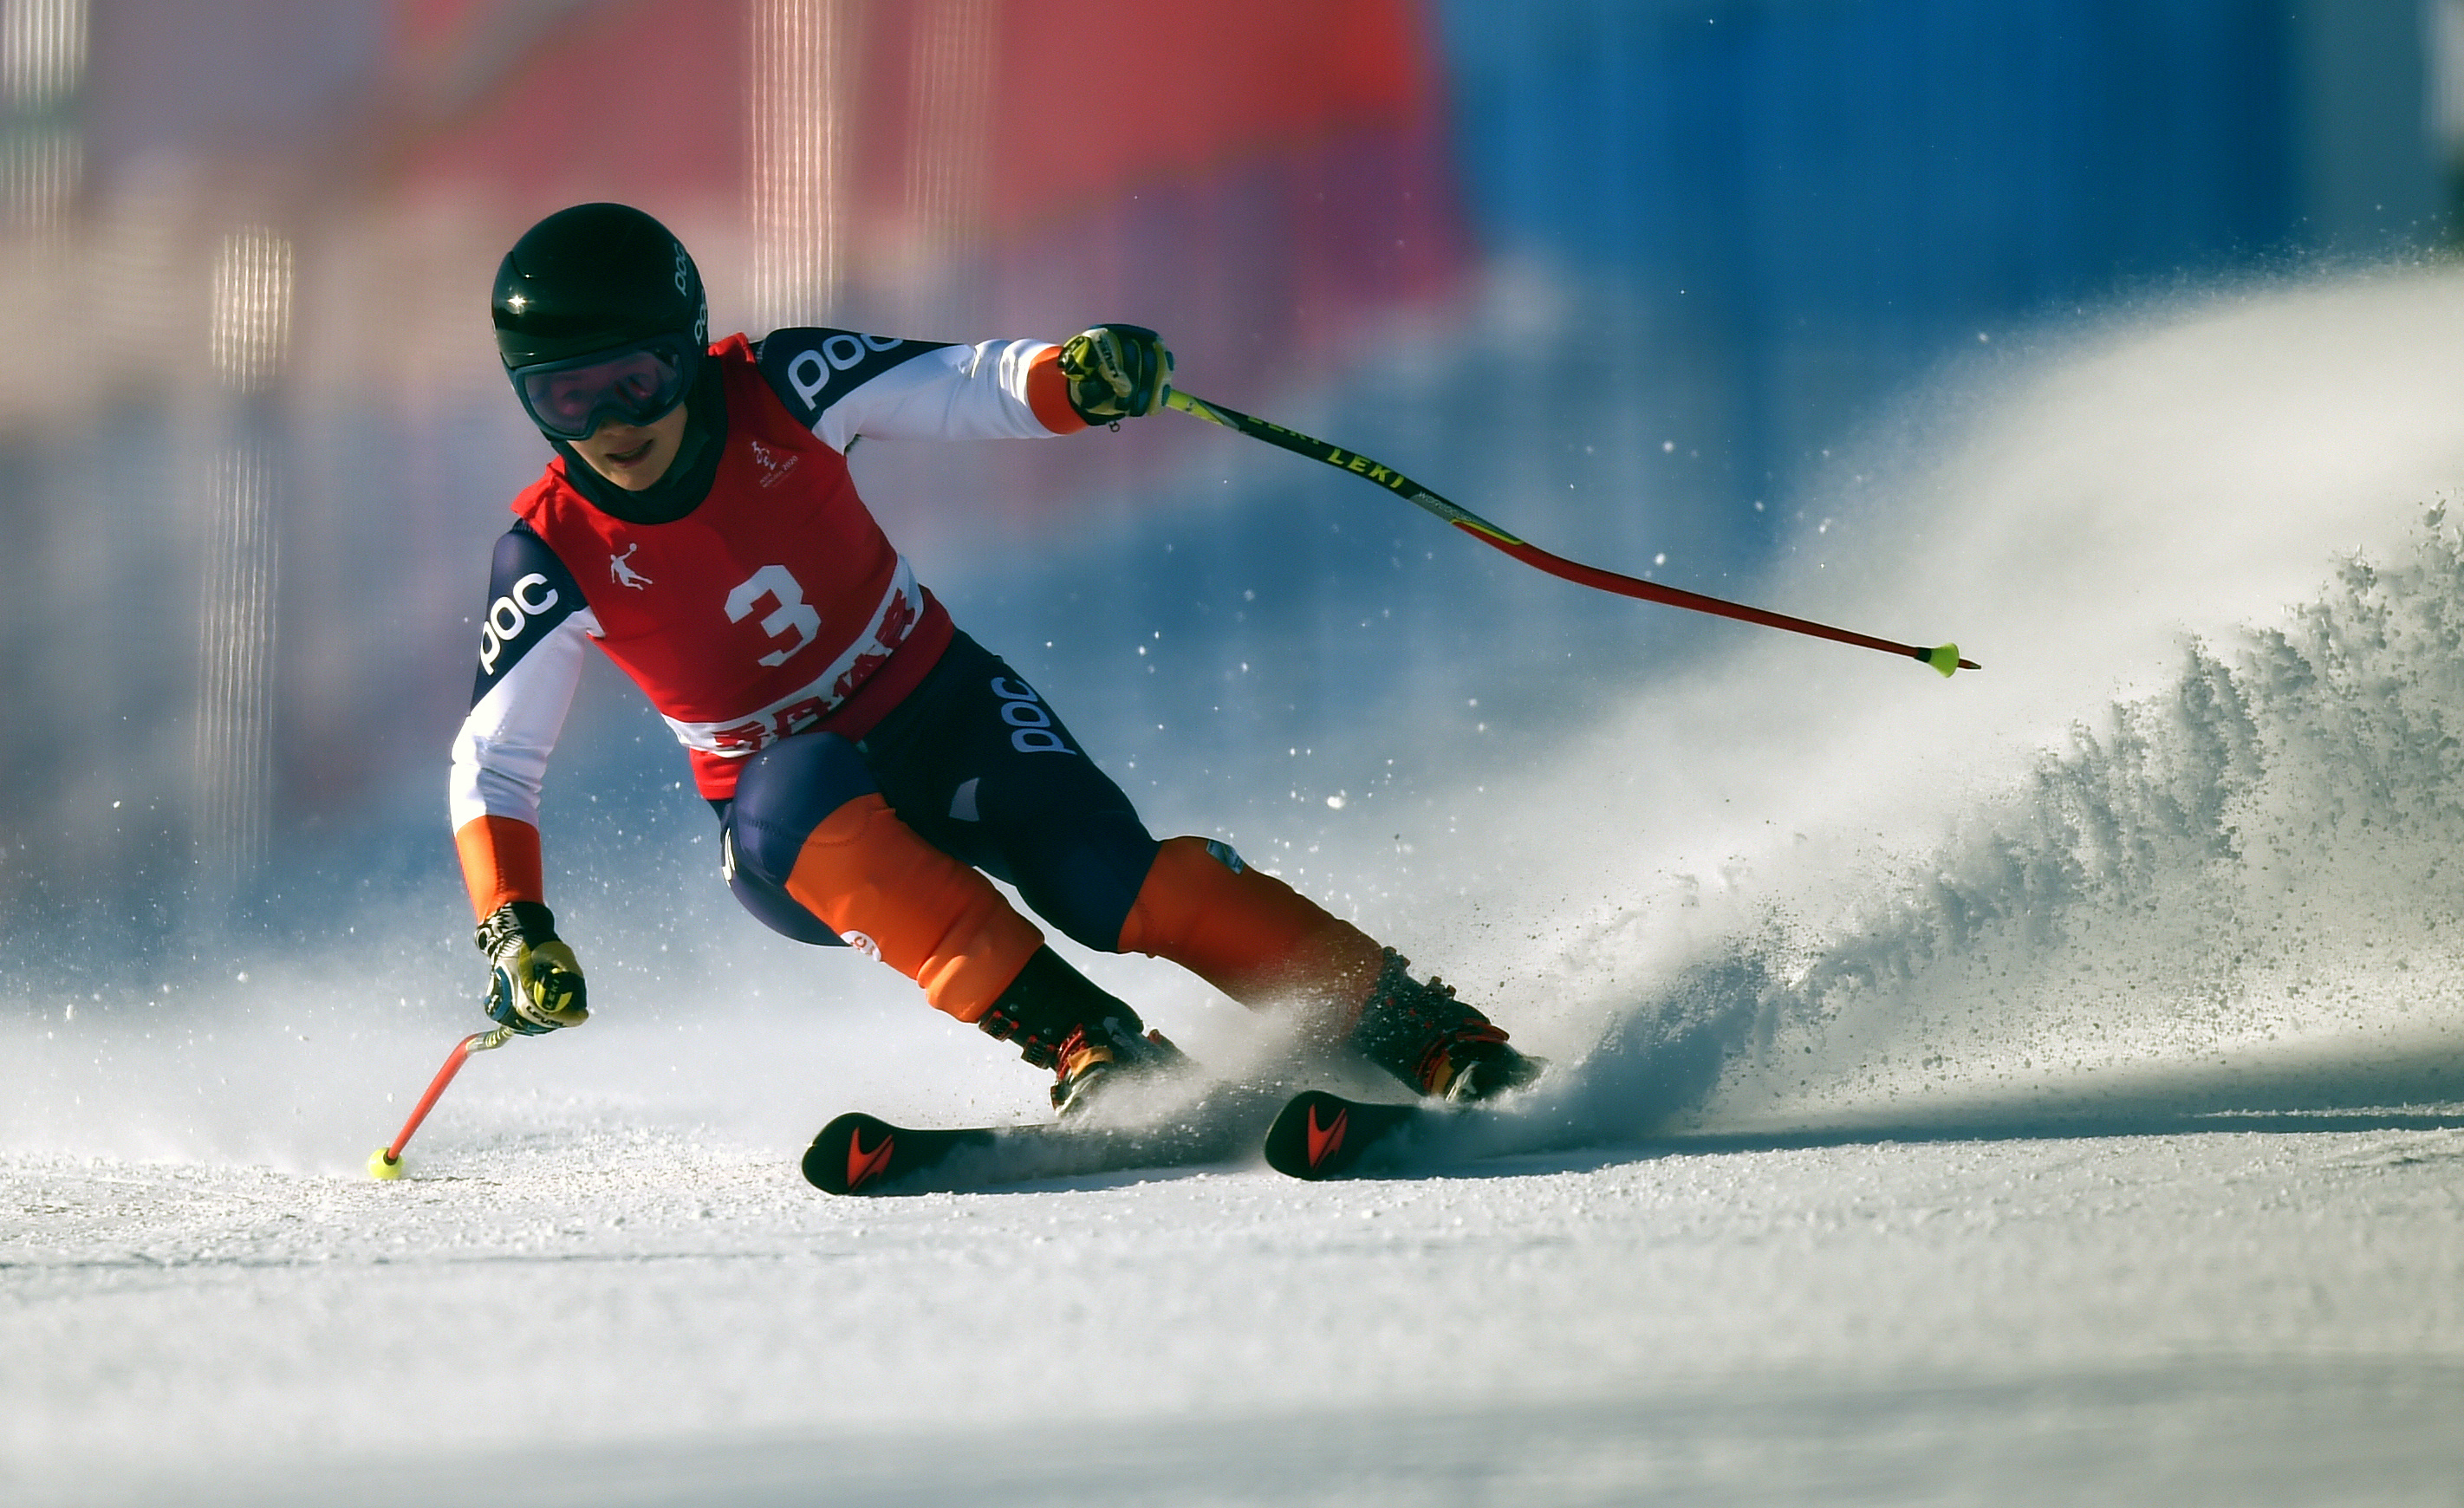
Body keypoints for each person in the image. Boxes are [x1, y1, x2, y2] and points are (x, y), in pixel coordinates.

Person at [449, 202, 1539, 1115]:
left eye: (632, 381)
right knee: (795, 782)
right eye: (564, 397)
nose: (607, 423)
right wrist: (513, 928)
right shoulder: (548, 554)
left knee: (1113, 888)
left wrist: (1077, 380)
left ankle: (1428, 1036)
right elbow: (494, 764)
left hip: (944, 705)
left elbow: (965, 381)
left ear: (685, 349)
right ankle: (1089, 1047)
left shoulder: (780, 385)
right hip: (791, 824)